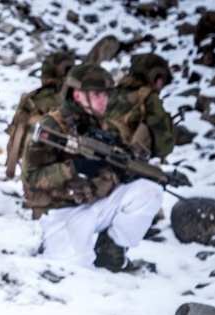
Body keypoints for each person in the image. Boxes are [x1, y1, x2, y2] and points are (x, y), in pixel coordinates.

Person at [21, 64, 163, 272]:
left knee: (148, 192)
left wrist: (119, 173)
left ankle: (111, 251)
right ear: (78, 95)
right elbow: (31, 178)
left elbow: (117, 164)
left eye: (106, 95)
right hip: (59, 213)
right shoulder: (52, 127)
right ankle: (52, 244)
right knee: (75, 273)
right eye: (97, 94)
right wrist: (73, 167)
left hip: (93, 204)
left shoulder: (104, 126)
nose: (104, 100)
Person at [5, 50, 76, 178]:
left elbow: (14, 137)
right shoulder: (66, 98)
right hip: (53, 165)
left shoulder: (31, 98)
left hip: (32, 165)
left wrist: (11, 166)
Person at [106, 53, 175, 160]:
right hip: (130, 161)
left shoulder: (115, 92)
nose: (161, 85)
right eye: (160, 79)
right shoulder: (149, 97)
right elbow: (164, 146)